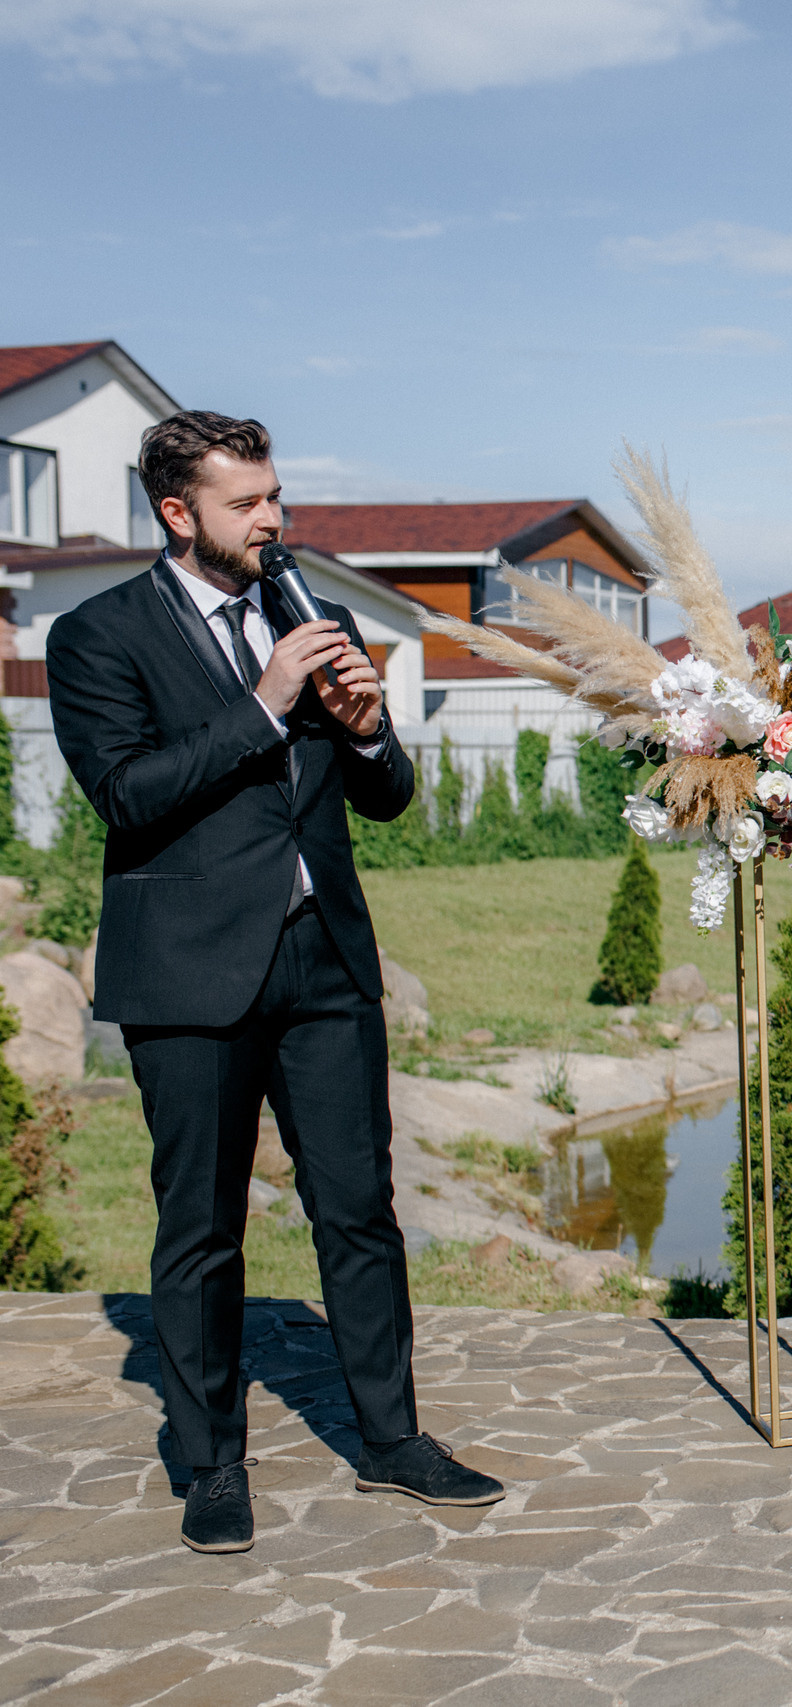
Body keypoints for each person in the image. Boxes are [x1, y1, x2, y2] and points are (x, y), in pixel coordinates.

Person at [49, 412, 504, 1556]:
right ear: (176, 513)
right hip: (190, 973)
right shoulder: (96, 634)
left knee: (359, 1209)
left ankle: (394, 1442)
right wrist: (263, 702)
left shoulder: (319, 615)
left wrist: (362, 731)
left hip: (326, 962)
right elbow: (129, 796)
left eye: (275, 496)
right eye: (247, 503)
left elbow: (387, 795)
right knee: (200, 1228)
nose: (273, 520)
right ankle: (210, 1464)